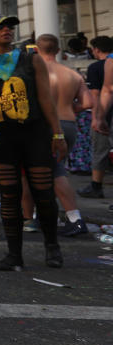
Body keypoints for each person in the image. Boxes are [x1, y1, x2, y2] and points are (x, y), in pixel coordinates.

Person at [0, 14, 67, 271]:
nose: (7, 30)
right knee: (10, 195)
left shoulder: (30, 59)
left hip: (35, 133)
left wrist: (57, 134)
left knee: (44, 193)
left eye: (10, 26)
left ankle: (52, 248)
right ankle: (14, 254)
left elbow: (46, 98)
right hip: (2, 139)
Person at [36, 34, 92, 236]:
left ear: (37, 50)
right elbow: (87, 103)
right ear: (58, 50)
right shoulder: (72, 73)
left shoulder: (37, 71)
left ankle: (74, 218)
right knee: (55, 170)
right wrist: (69, 108)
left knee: (54, 172)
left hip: (46, 125)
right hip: (69, 124)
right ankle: (53, 215)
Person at [81, 36, 113, 199]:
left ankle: (96, 185)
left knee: (99, 150)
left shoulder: (95, 67)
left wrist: (96, 117)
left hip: (105, 112)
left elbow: (96, 94)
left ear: (97, 50)